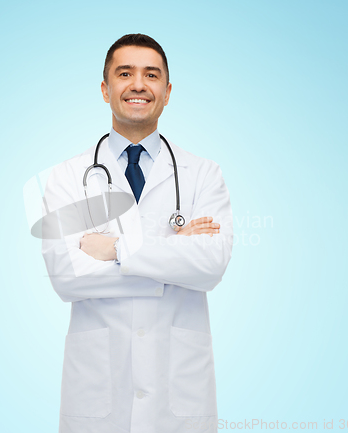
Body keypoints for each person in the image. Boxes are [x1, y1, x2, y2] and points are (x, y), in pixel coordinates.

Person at [41, 33, 233, 433]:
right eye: (124, 73)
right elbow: (66, 277)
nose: (138, 84)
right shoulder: (66, 177)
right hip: (97, 393)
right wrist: (171, 259)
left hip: (179, 394)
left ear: (166, 92)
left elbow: (210, 265)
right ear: (105, 89)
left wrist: (113, 249)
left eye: (151, 74)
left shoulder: (203, 174)